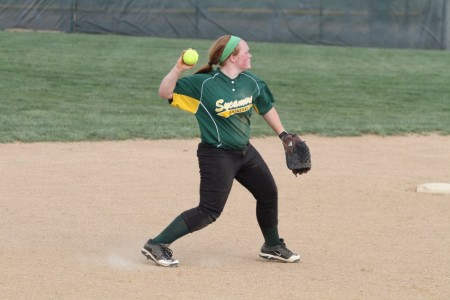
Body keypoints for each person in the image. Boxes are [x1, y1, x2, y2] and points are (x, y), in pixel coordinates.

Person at [141, 35, 300, 267]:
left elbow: (265, 107)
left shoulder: (252, 82)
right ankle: (156, 243)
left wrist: (284, 135)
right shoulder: (204, 84)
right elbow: (165, 92)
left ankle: (272, 245)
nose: (250, 55)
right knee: (209, 210)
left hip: (245, 153)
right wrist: (178, 68)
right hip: (216, 155)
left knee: (268, 194)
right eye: (246, 51)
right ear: (232, 57)